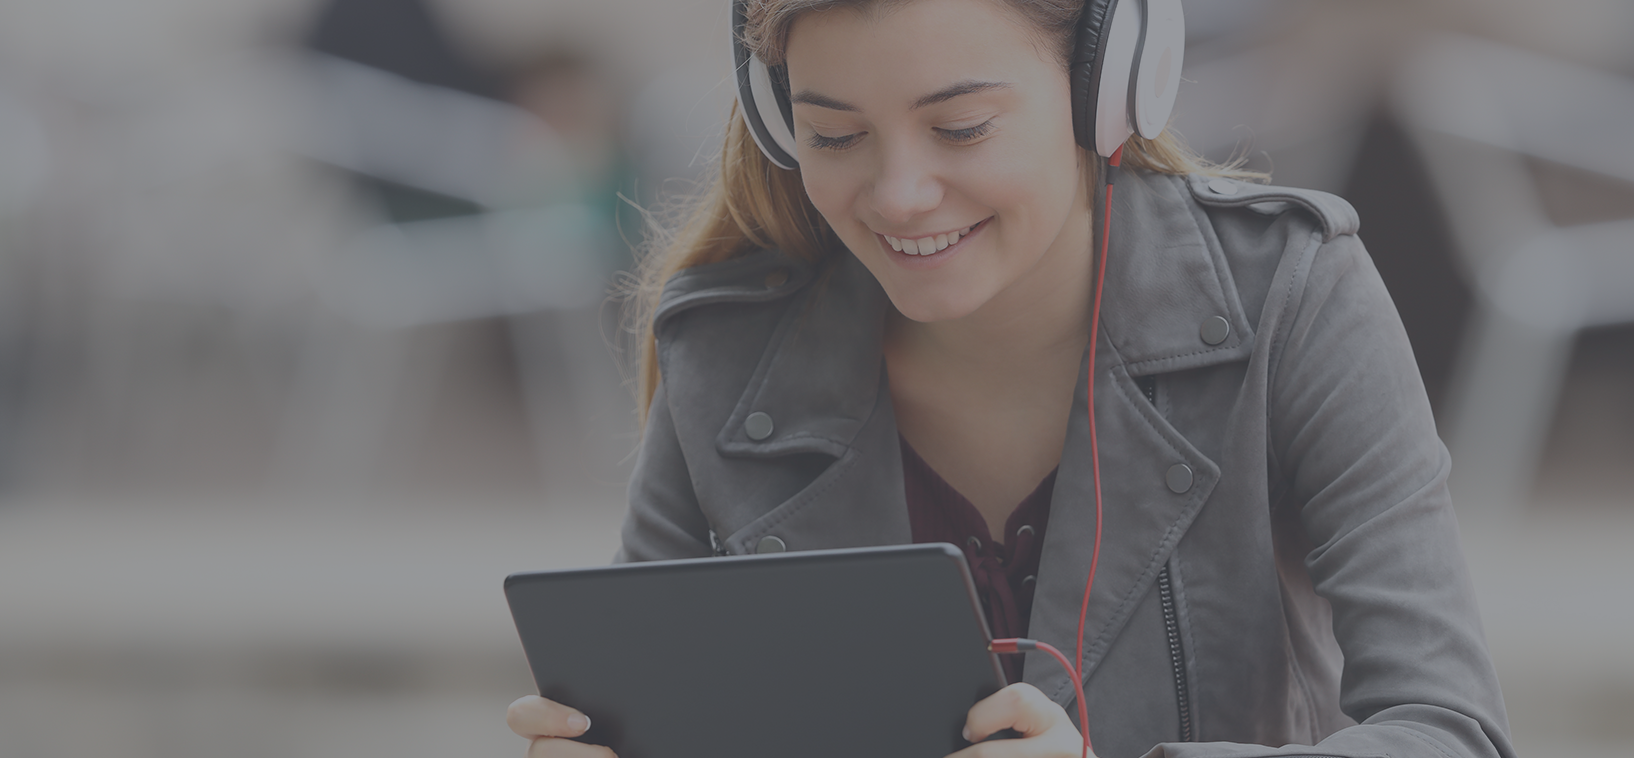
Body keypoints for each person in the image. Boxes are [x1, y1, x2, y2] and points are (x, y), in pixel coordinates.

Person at [507, 0, 1516, 756]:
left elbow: (1450, 729)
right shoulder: (725, 353)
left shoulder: (1292, 297)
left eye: (961, 127)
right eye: (836, 135)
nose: (899, 194)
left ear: (1103, 87)